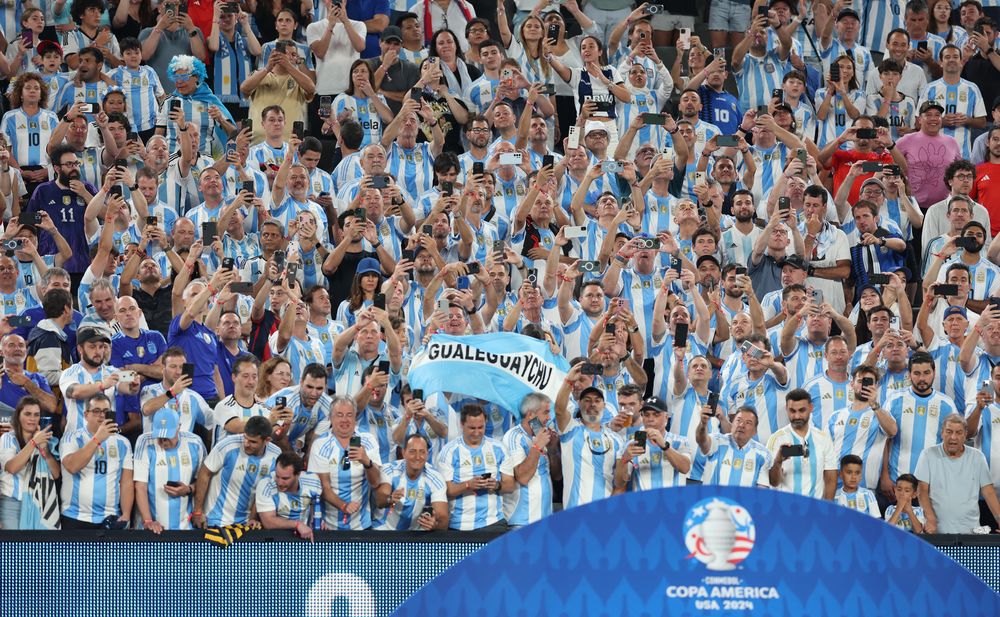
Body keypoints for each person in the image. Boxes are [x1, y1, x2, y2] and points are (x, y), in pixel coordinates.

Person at [554, 364, 629, 508]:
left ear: (604, 405)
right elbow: (559, 410)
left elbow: (620, 484)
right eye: (587, 400)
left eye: (597, 400)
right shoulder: (570, 429)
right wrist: (568, 381)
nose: (592, 404)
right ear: (580, 403)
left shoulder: (617, 440)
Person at [309, 395, 386, 530]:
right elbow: (323, 489)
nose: (345, 420)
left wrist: (366, 462)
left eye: (349, 415)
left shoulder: (368, 440)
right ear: (331, 418)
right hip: (328, 527)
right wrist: (343, 506)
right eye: (339, 415)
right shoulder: (320, 445)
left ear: (355, 417)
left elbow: (375, 483)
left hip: (361, 526)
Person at [191, 415, 281, 528]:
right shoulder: (228, 445)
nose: (246, 444)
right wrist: (198, 511)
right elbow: (204, 472)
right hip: (216, 520)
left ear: (267, 440)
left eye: (253, 442)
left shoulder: (276, 455)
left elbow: (263, 491)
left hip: (246, 525)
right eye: (245, 438)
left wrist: (253, 518)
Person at [59, 394, 134, 530]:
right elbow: (72, 466)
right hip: (74, 516)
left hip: (110, 518)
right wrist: (97, 439)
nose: (102, 415)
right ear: (86, 415)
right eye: (96, 411)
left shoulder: (123, 443)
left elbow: (126, 482)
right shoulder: (71, 438)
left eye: (106, 411)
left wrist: (126, 514)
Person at [916, 413, 1000, 533]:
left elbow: (988, 492)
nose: (953, 437)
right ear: (942, 433)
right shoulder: (928, 455)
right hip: (937, 532)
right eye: (949, 432)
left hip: (971, 532)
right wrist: (930, 518)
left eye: (958, 433)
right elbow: (921, 490)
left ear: (965, 435)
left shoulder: (977, 457)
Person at [132, 408, 206, 532]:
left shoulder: (195, 443)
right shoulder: (144, 441)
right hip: (151, 528)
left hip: (185, 528)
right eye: (159, 435)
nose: (162, 440)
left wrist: (188, 490)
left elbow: (204, 480)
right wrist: (148, 521)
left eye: (168, 435)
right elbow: (140, 486)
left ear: (179, 427)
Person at [766, 389, 838, 500]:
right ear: (786, 409)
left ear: (811, 408)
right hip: (784, 511)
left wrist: (826, 510)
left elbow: (831, 479)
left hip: (814, 511)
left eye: (801, 410)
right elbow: (773, 482)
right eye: (792, 411)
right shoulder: (776, 439)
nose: (797, 416)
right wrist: (778, 461)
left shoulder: (823, 439)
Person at [0, 397, 60, 529]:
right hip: (13, 504)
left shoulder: (49, 440)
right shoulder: (8, 438)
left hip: (39, 504)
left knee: (37, 549)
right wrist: (34, 443)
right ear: (18, 416)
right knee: (13, 549)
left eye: (36, 415)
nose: (32, 418)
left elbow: (55, 474)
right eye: (27, 414)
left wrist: (45, 449)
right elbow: (12, 467)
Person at [373, 433, 449, 531]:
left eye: (422, 452)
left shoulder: (435, 478)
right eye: (412, 451)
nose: (417, 457)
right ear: (403, 452)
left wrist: (435, 525)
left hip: (415, 537)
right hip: (384, 531)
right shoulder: (389, 470)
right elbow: (380, 500)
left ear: (427, 454)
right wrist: (390, 499)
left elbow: (443, 519)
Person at [500, 393, 555, 527]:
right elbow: (522, 477)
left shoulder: (540, 434)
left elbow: (557, 475)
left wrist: (553, 448)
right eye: (546, 413)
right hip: (522, 521)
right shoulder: (513, 437)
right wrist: (537, 446)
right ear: (530, 415)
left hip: (545, 518)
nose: (549, 418)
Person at [896, 100, 962, 207]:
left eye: (937, 115)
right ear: (920, 119)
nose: (933, 118)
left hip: (945, 206)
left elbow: (960, 172)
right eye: (928, 115)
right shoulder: (906, 140)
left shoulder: (952, 142)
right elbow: (888, 162)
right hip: (913, 206)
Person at [696, 405, 773, 487]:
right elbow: (702, 441)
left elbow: (761, 489)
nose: (741, 425)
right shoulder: (717, 441)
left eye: (748, 423)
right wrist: (703, 424)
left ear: (755, 431)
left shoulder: (763, 454)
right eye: (738, 420)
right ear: (732, 424)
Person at [626, 396, 692, 490]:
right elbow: (621, 482)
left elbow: (685, 468)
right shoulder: (632, 444)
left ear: (666, 418)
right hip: (643, 503)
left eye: (656, 414)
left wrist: (665, 446)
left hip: (672, 502)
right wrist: (624, 459)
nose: (650, 419)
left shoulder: (680, 441)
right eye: (646, 415)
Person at [255, 451, 325, 540]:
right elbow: (268, 522)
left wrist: (317, 521)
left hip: (304, 537)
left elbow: (314, 506)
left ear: (298, 474)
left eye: (285, 478)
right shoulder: (266, 485)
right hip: (275, 539)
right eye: (277, 476)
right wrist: (297, 524)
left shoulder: (313, 481)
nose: (279, 482)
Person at [0, 334, 57, 415]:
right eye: (11, 345)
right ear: (1, 352)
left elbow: (51, 407)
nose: (17, 348)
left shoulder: (38, 378)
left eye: (21, 345)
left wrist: (27, 383)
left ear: (26, 352)